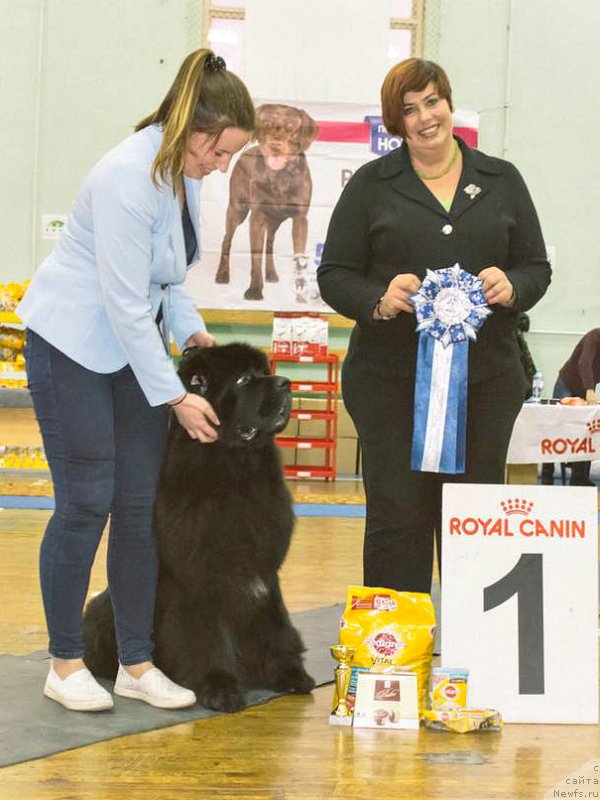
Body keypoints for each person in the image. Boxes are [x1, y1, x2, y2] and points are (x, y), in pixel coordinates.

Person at [17, 49, 255, 711]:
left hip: (128, 349)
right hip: (71, 346)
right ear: (199, 133)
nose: (221, 166)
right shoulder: (126, 177)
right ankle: (64, 662)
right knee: (87, 499)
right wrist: (176, 395)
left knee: (138, 505)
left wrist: (194, 332)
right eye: (222, 154)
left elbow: (167, 278)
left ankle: (135, 662)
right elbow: (123, 303)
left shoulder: (185, 173)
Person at [317, 58, 551, 594]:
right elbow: (334, 274)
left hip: (487, 387)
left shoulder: (502, 180)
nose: (425, 117)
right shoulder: (372, 185)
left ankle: (473, 654)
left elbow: (536, 266)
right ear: (394, 124)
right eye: (408, 110)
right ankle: (394, 660)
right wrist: (378, 298)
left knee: (474, 523)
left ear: (448, 102)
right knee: (397, 521)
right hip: (389, 388)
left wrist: (513, 287)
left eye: (432, 101)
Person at [541, 328, 600, 486]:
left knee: (586, 431)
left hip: (585, 389)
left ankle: (579, 478)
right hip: (566, 384)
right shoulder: (594, 336)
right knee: (555, 428)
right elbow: (584, 362)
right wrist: (590, 390)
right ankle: (547, 475)